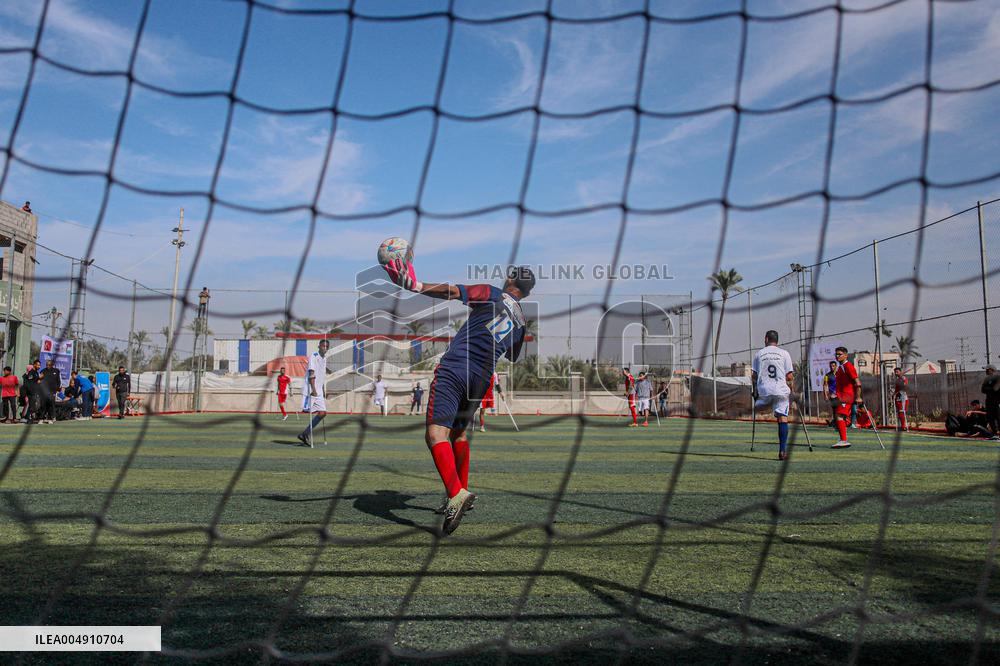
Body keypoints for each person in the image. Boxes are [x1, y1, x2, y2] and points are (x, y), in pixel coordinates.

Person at [383, 257, 532, 535]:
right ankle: (461, 492)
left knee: (435, 435)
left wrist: (413, 284)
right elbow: (512, 355)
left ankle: (456, 495)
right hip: (482, 378)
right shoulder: (521, 319)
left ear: (511, 280)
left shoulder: (492, 293)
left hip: (456, 368)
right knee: (458, 435)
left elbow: (451, 291)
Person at [751, 330, 796, 460]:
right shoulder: (784, 353)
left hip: (764, 391)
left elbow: (754, 375)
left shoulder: (759, 354)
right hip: (780, 391)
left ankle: (766, 409)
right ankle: (782, 451)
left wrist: (755, 390)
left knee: (764, 408)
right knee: (782, 418)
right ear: (777, 340)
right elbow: (789, 376)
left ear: (766, 339)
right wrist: (792, 391)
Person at [297, 340, 329, 446]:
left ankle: (305, 434)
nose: (325, 348)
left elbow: (322, 376)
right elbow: (312, 374)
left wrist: (322, 390)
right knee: (307, 410)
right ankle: (305, 434)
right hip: (311, 389)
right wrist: (314, 390)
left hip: (319, 390)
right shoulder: (314, 356)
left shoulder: (324, 359)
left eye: (327, 346)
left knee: (322, 413)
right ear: (319, 346)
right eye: (323, 346)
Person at [832, 347, 862, 449]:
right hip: (842, 396)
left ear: (846, 355)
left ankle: (843, 440)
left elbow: (857, 383)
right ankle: (842, 439)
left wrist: (858, 397)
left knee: (839, 416)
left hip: (847, 396)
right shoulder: (840, 367)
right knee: (840, 416)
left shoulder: (848, 366)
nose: (837, 356)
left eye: (839, 354)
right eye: (836, 354)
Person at [38, 359, 60, 424]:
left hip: (52, 391)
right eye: (47, 365)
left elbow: (58, 381)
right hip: (44, 391)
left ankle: (50, 418)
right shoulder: (43, 371)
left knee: (51, 405)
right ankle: (41, 418)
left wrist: (56, 390)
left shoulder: (56, 371)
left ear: (52, 365)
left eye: (49, 365)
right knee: (43, 405)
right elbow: (39, 380)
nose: (48, 366)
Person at [981, 365, 1000, 435]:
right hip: (989, 401)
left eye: (987, 370)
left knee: (998, 416)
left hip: (997, 401)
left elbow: (996, 389)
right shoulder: (986, 379)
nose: (986, 371)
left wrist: (989, 389)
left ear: (992, 370)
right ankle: (994, 432)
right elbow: (983, 390)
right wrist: (990, 389)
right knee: (989, 417)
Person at [892, 367, 909, 432]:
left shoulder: (904, 378)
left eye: (897, 372)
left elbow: (905, 386)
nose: (896, 373)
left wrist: (903, 380)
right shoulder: (897, 380)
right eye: (895, 372)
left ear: (900, 372)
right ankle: (901, 426)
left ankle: (904, 426)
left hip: (903, 397)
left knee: (902, 412)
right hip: (898, 397)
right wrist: (894, 394)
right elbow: (896, 389)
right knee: (899, 412)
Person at [823, 360, 838, 427]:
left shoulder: (839, 374)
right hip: (832, 395)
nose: (832, 367)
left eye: (833, 366)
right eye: (831, 366)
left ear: (836, 366)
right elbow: (825, 385)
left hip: (840, 395)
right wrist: (826, 395)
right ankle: (835, 422)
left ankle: (836, 422)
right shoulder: (827, 375)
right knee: (835, 409)